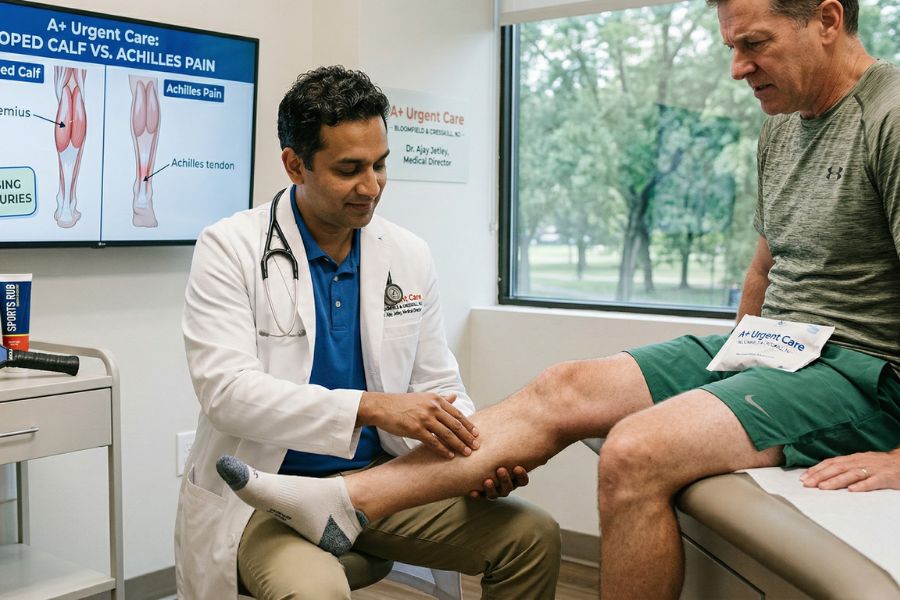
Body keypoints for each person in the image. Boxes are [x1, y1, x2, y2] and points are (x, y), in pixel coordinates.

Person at [214, 0, 899, 598]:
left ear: (828, 20)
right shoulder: (781, 124)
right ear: (296, 165)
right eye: (731, 48)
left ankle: (342, 501)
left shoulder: (889, 116)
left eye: (754, 45)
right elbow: (765, 263)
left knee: (634, 450)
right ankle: (340, 502)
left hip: (862, 372)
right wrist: (737, 373)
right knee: (565, 386)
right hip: (775, 351)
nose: (738, 69)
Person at [174, 65, 561, 600]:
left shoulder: (406, 253)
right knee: (316, 592)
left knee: (531, 537)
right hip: (267, 494)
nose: (371, 186)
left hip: (382, 484)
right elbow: (227, 394)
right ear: (294, 165)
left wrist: (473, 460)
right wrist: (371, 406)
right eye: (349, 168)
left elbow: (438, 386)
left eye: (380, 165)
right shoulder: (229, 248)